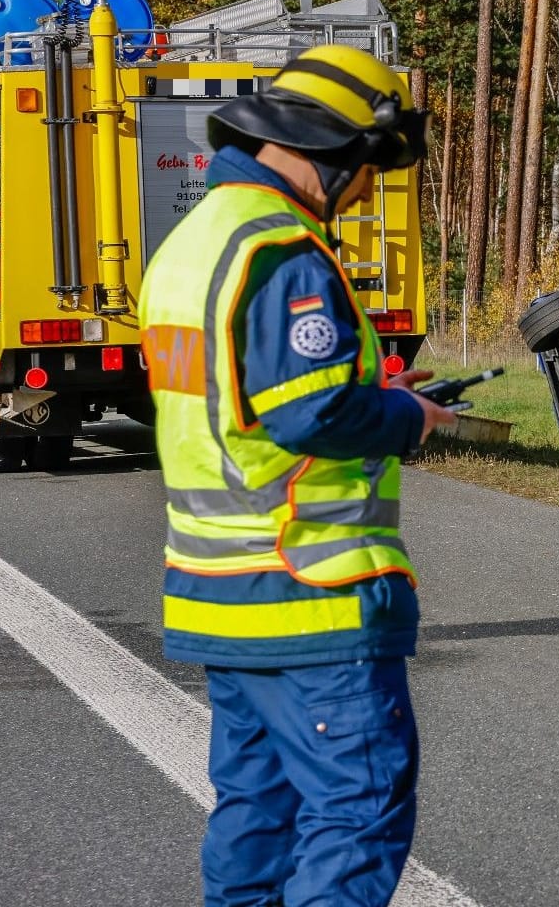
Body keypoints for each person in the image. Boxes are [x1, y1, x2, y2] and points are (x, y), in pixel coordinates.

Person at [141, 44, 453, 906]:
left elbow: (246, 395)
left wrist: (368, 387)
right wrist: (406, 417)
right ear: (337, 151)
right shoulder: (283, 250)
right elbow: (306, 416)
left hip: (216, 590)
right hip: (306, 587)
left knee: (260, 813)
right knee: (357, 810)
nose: (361, 192)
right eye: (366, 170)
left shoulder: (194, 241)